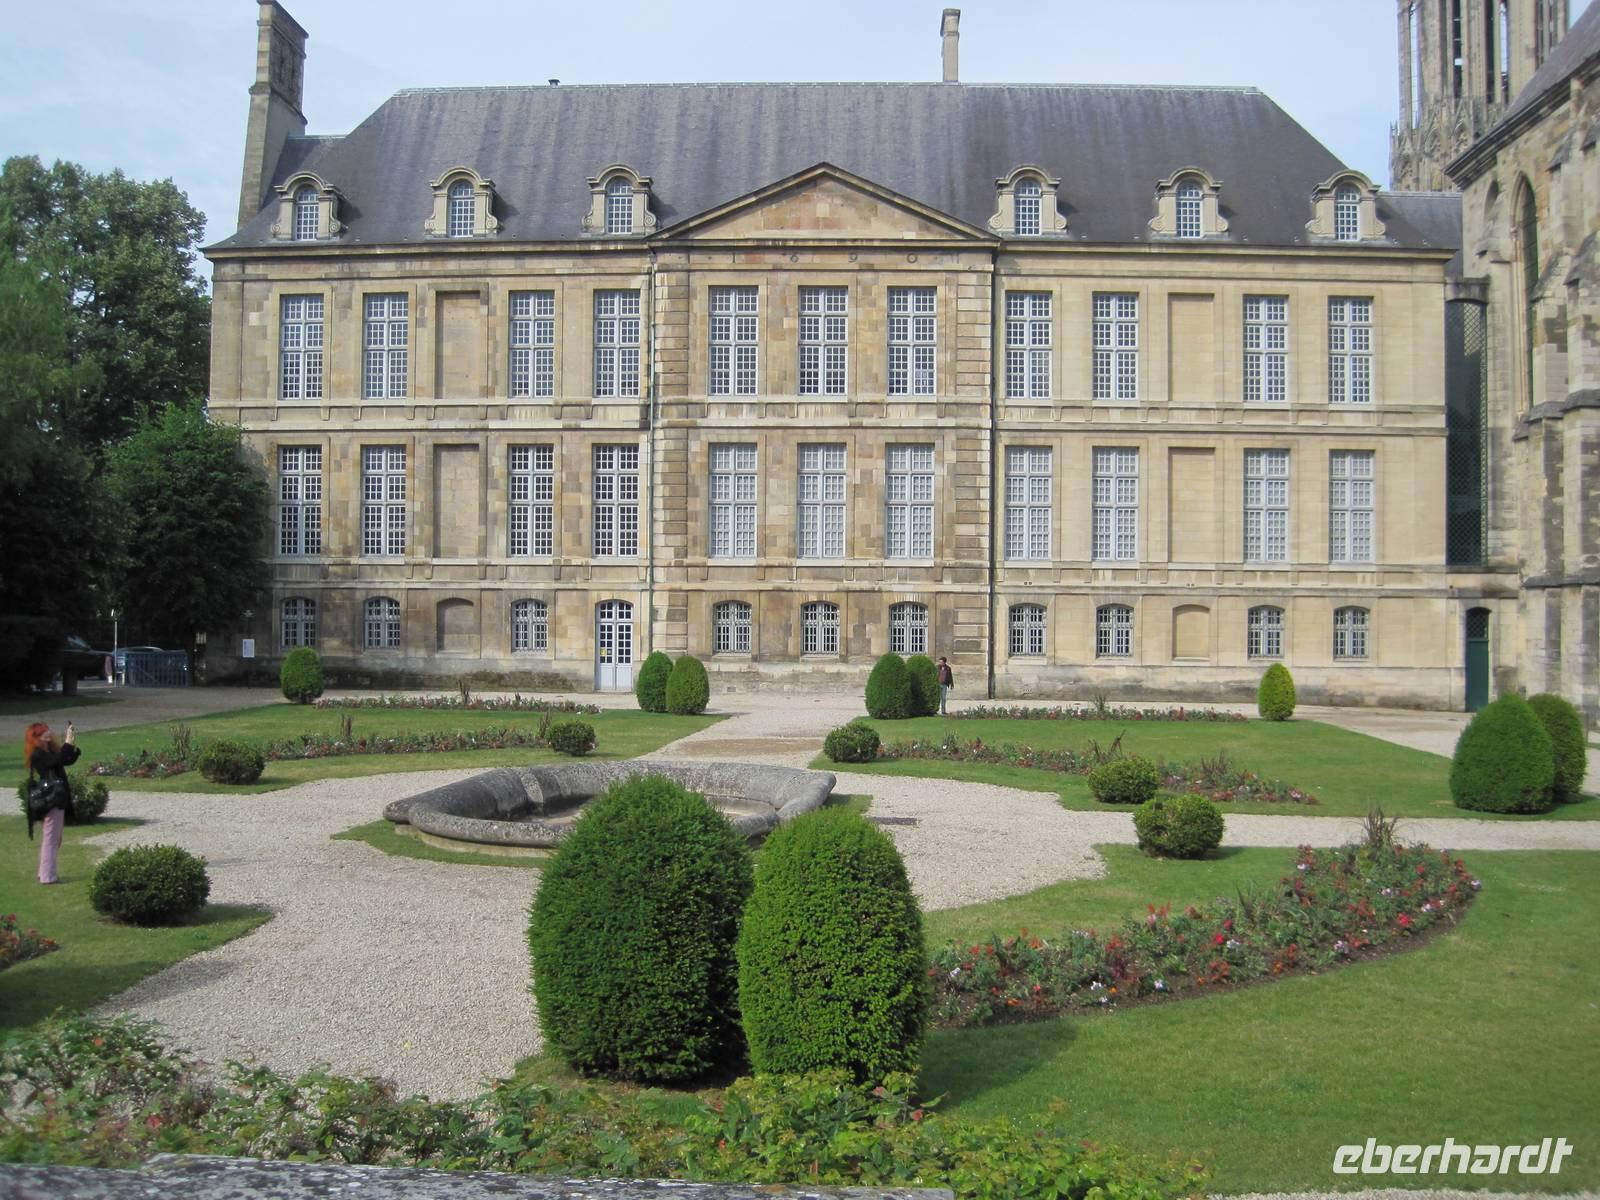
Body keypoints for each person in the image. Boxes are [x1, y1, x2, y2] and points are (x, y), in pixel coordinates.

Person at [24, 720, 78, 884]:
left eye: (47, 730)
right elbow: (55, 761)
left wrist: (71, 743)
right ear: (36, 737)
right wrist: (67, 742)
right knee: (51, 838)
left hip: (58, 797)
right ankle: (48, 876)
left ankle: (45, 872)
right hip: (51, 798)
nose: (48, 733)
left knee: (55, 838)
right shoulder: (37, 754)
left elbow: (64, 760)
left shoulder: (48, 749)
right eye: (43, 733)